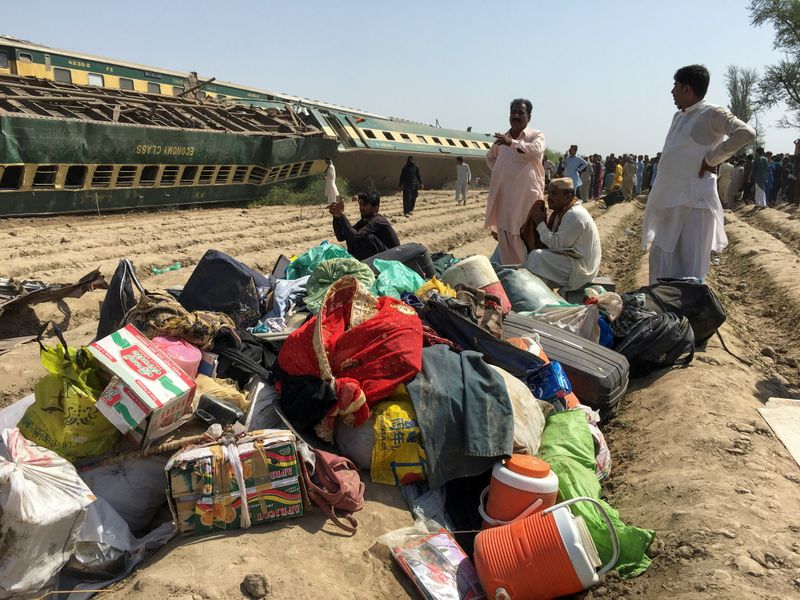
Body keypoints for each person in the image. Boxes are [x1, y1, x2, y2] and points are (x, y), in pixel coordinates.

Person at [643, 64, 755, 284]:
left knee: (689, 274)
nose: (672, 91)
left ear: (687, 89)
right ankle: (664, 317)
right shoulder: (679, 117)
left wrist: (712, 159)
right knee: (660, 267)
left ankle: (687, 318)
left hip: (695, 205)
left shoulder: (712, 113)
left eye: (675, 86)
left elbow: (745, 133)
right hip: (670, 203)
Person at [485, 98, 546, 264]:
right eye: (513, 112)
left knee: (525, 236)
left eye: (521, 113)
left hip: (526, 199)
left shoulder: (535, 136)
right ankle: (513, 274)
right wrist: (502, 173)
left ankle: (527, 274)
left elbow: (535, 151)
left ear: (529, 117)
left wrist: (511, 143)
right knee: (505, 236)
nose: (516, 116)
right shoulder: (501, 140)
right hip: (505, 198)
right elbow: (490, 158)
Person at [525, 177, 601, 290]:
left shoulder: (574, 215)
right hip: (573, 262)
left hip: (581, 270)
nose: (549, 198)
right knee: (533, 258)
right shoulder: (562, 211)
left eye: (554, 194)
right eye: (549, 193)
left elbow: (556, 245)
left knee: (536, 257)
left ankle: (535, 294)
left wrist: (540, 223)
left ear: (568, 197)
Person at [329, 191, 400, 260]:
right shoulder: (365, 220)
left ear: (375, 208)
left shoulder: (378, 220)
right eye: (360, 204)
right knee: (350, 234)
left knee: (366, 238)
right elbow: (341, 237)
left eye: (365, 205)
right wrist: (336, 216)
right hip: (383, 255)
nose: (361, 208)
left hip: (393, 257)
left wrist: (342, 215)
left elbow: (355, 236)